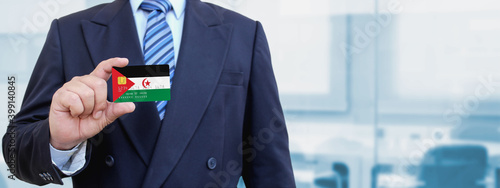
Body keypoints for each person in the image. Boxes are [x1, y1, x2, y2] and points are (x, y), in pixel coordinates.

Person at [2, 0, 295, 187]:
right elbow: (16, 152)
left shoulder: (244, 33)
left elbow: (270, 169)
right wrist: (58, 141)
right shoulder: (69, 32)